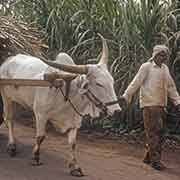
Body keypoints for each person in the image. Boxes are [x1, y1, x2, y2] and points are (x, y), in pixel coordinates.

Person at [121, 44, 180, 170]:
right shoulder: (146, 67)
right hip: (149, 105)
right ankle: (155, 161)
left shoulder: (165, 69)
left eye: (165, 55)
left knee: (160, 133)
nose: (162, 58)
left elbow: (171, 87)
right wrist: (126, 95)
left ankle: (149, 157)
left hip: (161, 106)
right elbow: (136, 82)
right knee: (154, 133)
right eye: (160, 55)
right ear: (154, 55)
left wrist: (178, 102)